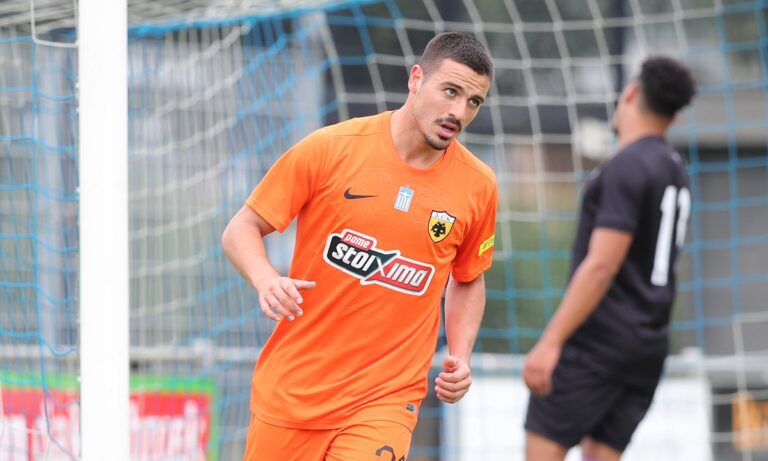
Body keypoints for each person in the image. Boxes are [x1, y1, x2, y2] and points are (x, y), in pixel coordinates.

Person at [222, 32, 497, 461]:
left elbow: (468, 278)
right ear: (416, 79)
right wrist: (266, 279)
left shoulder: (478, 185)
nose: (458, 112)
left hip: (385, 399)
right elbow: (241, 228)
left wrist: (460, 356)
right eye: (450, 92)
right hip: (294, 391)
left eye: (473, 102)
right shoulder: (331, 148)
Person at [522, 56, 696, 461]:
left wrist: (550, 342)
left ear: (631, 92)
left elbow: (602, 265)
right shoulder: (675, 169)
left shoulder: (626, 166)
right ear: (674, 114)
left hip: (597, 344)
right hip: (647, 346)